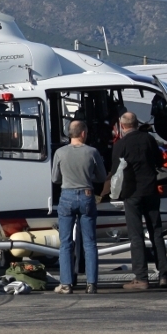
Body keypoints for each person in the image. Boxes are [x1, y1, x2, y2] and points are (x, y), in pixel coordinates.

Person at [111, 112, 167, 289]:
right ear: (137, 124)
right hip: (151, 190)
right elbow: (159, 161)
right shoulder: (149, 140)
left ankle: (141, 277)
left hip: (132, 193)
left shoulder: (120, 145)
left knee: (136, 235)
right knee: (156, 232)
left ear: (122, 126)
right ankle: (164, 275)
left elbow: (115, 171)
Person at [51, 120, 106, 294]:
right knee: (90, 242)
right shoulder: (92, 152)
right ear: (83, 133)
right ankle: (91, 283)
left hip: (67, 195)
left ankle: (66, 283)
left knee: (66, 242)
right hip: (87, 195)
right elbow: (101, 176)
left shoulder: (60, 152)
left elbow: (55, 179)